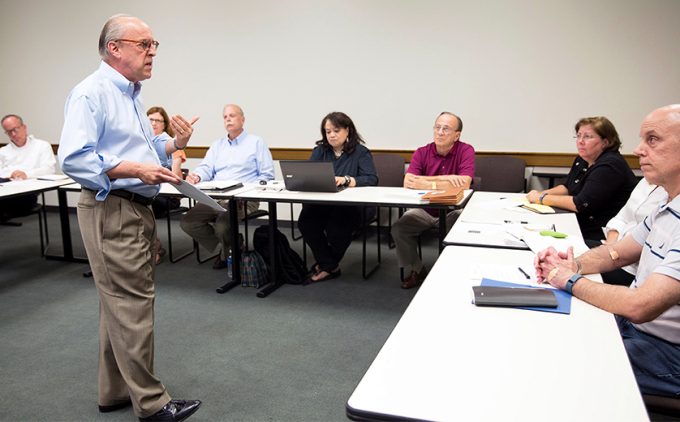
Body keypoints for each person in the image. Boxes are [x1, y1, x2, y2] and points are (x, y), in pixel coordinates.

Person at [58, 14, 201, 421]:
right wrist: (135, 170)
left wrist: (175, 142)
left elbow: (145, 148)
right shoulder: (92, 93)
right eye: (144, 44)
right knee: (133, 305)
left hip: (129, 208)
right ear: (114, 48)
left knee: (116, 304)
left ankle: (114, 392)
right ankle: (153, 405)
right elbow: (73, 157)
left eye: (154, 44)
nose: (153, 51)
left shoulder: (130, 94)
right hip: (113, 207)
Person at [534, 104, 680, 398]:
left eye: (652, 139)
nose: (639, 150)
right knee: (546, 334)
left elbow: (640, 305)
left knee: (552, 364)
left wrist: (568, 279)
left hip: (667, 352)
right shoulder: (667, 204)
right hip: (640, 330)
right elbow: (620, 252)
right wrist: (572, 264)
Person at [180, 104, 274, 269]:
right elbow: (206, 167)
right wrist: (197, 175)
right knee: (188, 222)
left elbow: (267, 176)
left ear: (242, 119)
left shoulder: (256, 142)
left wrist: (246, 192)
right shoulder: (217, 145)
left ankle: (229, 251)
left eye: (232, 115)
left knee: (223, 225)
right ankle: (232, 245)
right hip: (216, 198)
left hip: (243, 199)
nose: (228, 119)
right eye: (225, 117)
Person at [391, 112, 474, 289]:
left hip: (452, 210)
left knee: (462, 226)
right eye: (437, 127)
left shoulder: (466, 150)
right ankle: (417, 269)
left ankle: (451, 273)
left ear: (457, 135)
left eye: (446, 129)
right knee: (399, 228)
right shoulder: (422, 152)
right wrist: (449, 178)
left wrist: (424, 181)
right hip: (425, 209)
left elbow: (464, 183)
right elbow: (408, 182)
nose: (440, 132)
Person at [526, 116, 637, 244]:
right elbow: (567, 187)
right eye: (578, 136)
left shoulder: (610, 165)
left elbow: (581, 204)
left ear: (605, 142)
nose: (580, 141)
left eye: (587, 137)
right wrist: (541, 194)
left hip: (601, 233)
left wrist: (541, 199)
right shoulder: (583, 159)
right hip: (580, 223)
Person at [297, 111, 378, 282]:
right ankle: (330, 265)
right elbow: (309, 174)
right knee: (306, 221)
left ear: (347, 130)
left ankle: (327, 265)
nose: (331, 135)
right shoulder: (320, 151)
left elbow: (371, 179)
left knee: (337, 226)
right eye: (328, 132)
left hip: (353, 206)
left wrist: (347, 180)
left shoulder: (361, 152)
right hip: (324, 203)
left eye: (336, 130)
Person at [601, 178, 668, 286]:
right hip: (614, 249)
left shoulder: (671, 197)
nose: (643, 160)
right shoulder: (645, 182)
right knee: (571, 250)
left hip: (632, 270)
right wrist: (610, 246)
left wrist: (612, 251)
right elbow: (621, 218)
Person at [147, 106, 186, 264]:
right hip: (151, 192)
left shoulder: (169, 143)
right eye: (150, 120)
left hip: (168, 195)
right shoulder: (143, 142)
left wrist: (176, 158)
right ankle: (151, 245)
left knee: (142, 204)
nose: (154, 123)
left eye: (158, 120)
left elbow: (176, 179)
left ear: (165, 124)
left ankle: (153, 247)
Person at [0, 114, 57, 221]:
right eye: (8, 132)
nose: (13, 134)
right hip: (7, 188)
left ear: (24, 127)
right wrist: (10, 173)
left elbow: (49, 169)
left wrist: (26, 174)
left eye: (15, 129)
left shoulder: (42, 146)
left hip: (28, 191)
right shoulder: (3, 151)